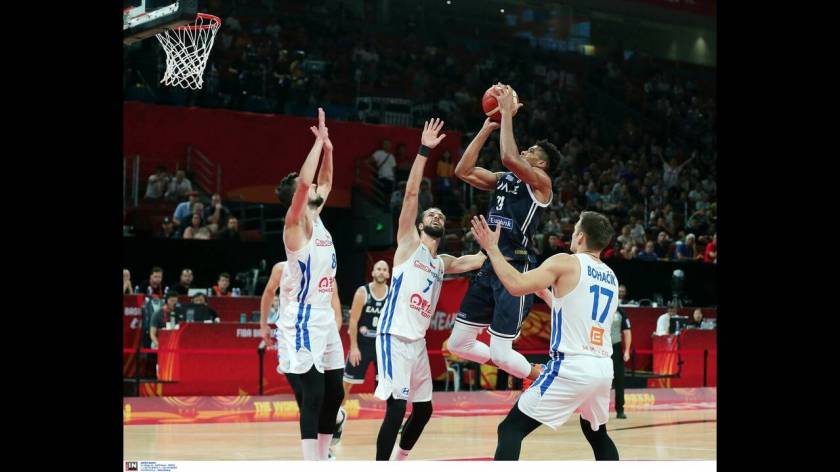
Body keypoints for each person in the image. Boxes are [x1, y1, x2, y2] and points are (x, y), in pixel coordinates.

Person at [374, 118, 487, 461]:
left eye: (440, 215)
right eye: (431, 214)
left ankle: (398, 461)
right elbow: (411, 194)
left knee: (423, 411)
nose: (436, 216)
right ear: (421, 223)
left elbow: (476, 260)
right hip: (394, 336)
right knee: (396, 409)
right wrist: (424, 150)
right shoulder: (409, 244)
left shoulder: (442, 262)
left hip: (417, 343)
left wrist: (499, 244)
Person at [471, 211, 620, 461]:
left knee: (510, 429)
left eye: (575, 230)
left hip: (572, 367)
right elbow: (579, 314)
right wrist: (548, 296)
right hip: (603, 368)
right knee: (597, 433)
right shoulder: (611, 277)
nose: (572, 235)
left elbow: (516, 285)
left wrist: (492, 249)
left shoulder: (566, 262)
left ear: (581, 237)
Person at [447, 83, 559, 386]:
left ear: (541, 163)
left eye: (532, 151)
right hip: (489, 265)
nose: (525, 150)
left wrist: (507, 114)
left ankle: (539, 375)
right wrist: (486, 129)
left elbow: (509, 156)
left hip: (515, 267)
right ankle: (521, 367)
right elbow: (463, 171)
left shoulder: (541, 183)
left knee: (500, 353)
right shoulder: (504, 179)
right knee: (458, 344)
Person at [265, 108, 345, 461]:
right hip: (302, 317)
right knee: (313, 394)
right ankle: (311, 463)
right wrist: (316, 143)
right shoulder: (294, 225)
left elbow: (325, 182)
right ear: (297, 199)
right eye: (309, 186)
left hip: (324, 315)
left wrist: (328, 149)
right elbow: (304, 183)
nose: (315, 187)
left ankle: (324, 457)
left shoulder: (317, 215)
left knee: (335, 392)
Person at [337, 260, 390, 447]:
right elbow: (353, 321)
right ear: (373, 272)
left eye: (384, 269)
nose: (381, 272)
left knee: (391, 385)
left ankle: (393, 419)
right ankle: (337, 417)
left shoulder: (392, 293)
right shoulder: (363, 292)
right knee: (347, 383)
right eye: (378, 269)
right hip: (362, 345)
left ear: (388, 274)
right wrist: (353, 347)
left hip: (382, 346)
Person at [610, 295, 632, 419]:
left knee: (619, 379)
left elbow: (627, 332)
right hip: (600, 348)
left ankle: (620, 409)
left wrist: (627, 351)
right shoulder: (598, 309)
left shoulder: (621, 313)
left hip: (616, 348)